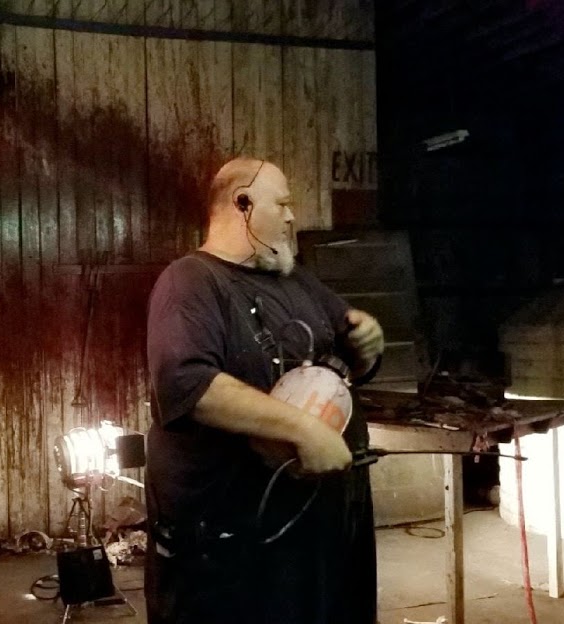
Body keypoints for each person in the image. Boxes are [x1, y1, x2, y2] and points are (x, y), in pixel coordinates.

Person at [144, 157, 385, 623]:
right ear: (243, 203)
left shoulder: (296, 281)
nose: (292, 217)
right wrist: (304, 430)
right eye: (283, 203)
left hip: (316, 540)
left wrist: (368, 342)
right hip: (233, 550)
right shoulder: (190, 282)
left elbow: (345, 350)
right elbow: (187, 383)